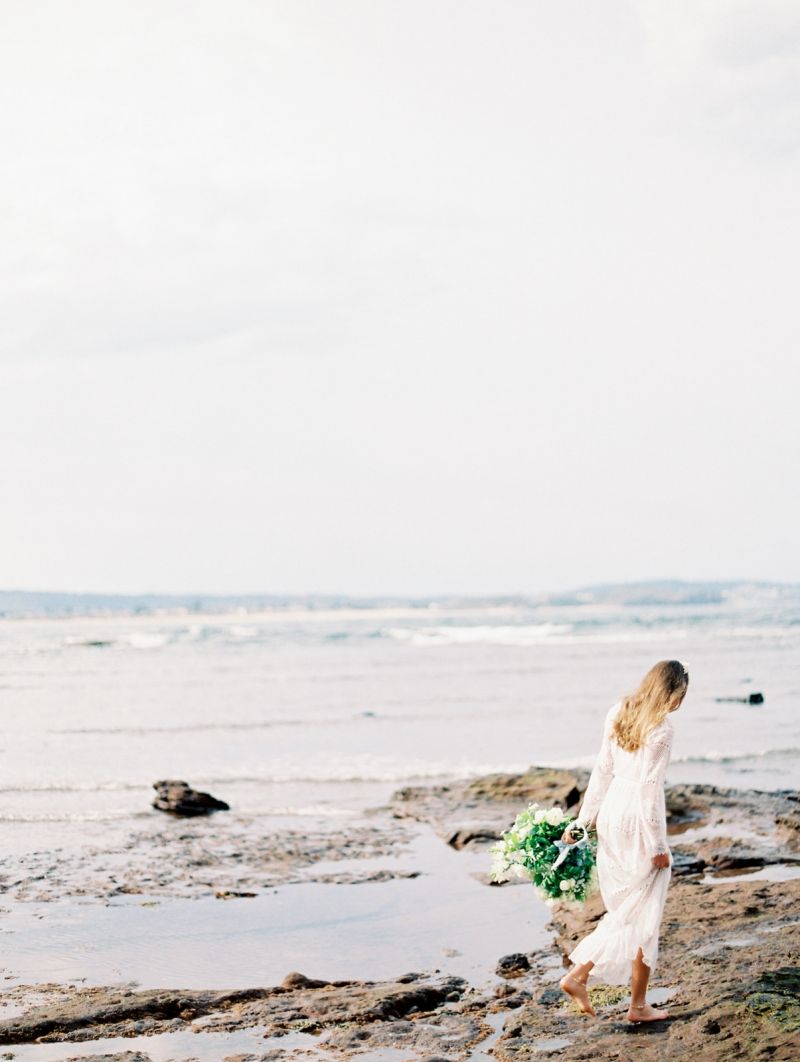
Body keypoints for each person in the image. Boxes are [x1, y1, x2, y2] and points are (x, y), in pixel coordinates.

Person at [558, 659, 689, 1023]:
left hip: (613, 812)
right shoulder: (662, 728)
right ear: (672, 691)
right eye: (680, 695)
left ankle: (596, 984)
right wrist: (659, 847)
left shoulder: (620, 711)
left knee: (627, 910)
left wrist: (584, 820)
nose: (680, 703)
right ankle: (623, 999)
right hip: (637, 818)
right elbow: (648, 791)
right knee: (643, 915)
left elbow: (602, 769)